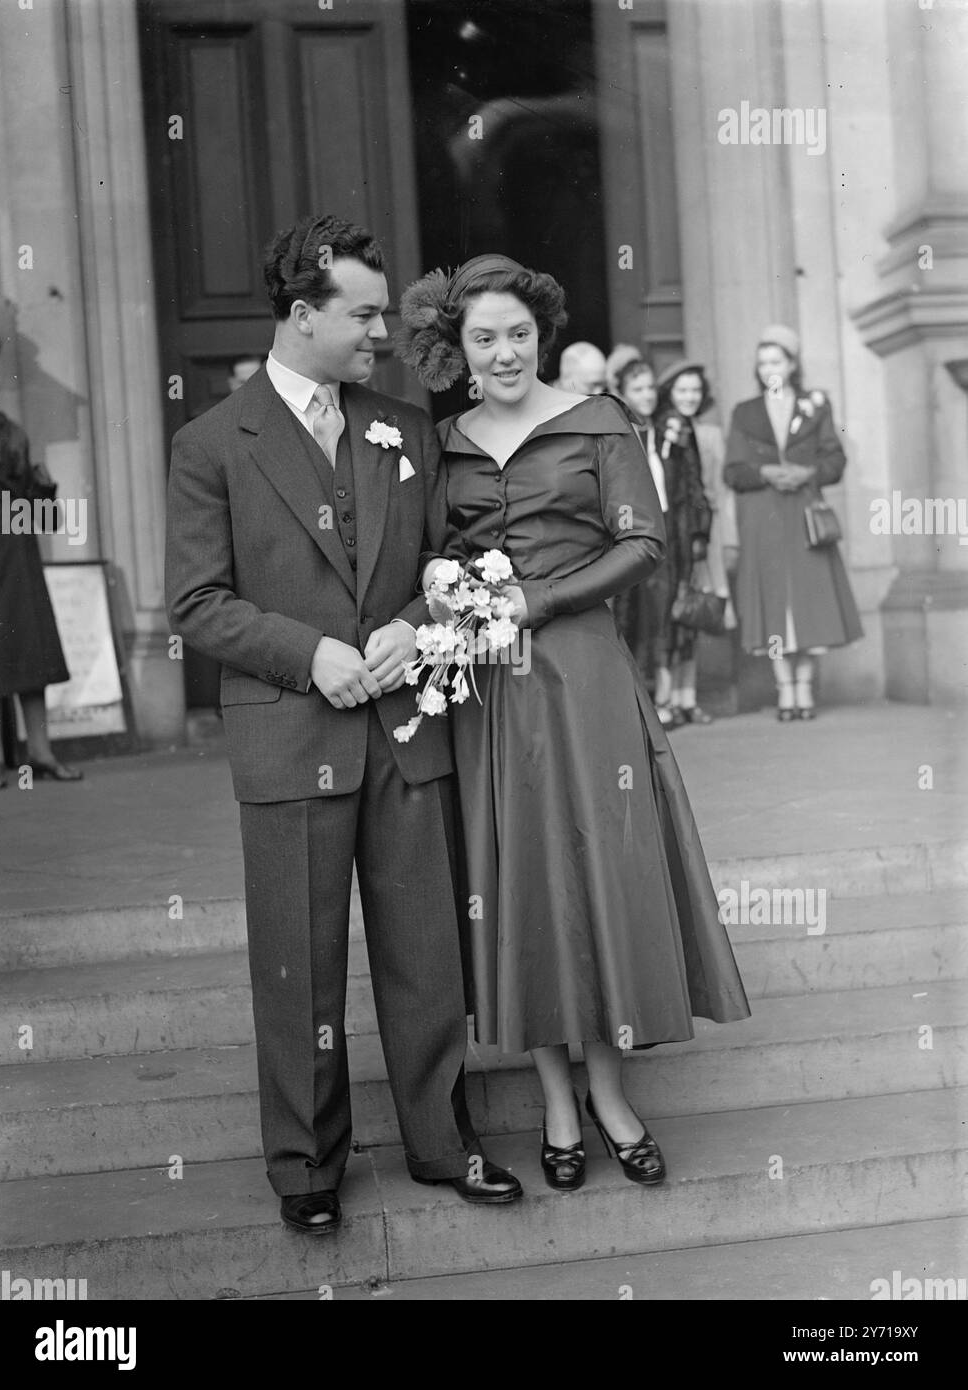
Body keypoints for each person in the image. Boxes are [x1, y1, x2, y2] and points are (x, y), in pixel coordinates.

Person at [165, 214, 522, 1237]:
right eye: (363, 313)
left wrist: (415, 628)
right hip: (289, 738)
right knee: (298, 963)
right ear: (301, 314)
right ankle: (306, 1166)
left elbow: (451, 565)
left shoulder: (403, 425)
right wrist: (308, 653)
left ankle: (441, 1142)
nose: (381, 331)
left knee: (426, 954)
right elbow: (196, 601)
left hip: (408, 734)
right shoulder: (210, 444)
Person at [396, 254, 750, 1193]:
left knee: (600, 869)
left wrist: (533, 601)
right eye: (484, 338)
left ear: (540, 335)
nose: (505, 351)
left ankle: (611, 1092)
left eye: (518, 333)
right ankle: (554, 1098)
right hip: (490, 694)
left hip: (584, 678)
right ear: (457, 348)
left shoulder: (600, 423)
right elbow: (433, 557)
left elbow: (644, 543)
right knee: (521, 882)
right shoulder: (444, 442)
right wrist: (453, 601)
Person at [723, 325, 862, 720]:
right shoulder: (745, 412)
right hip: (764, 517)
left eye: (777, 360)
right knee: (774, 604)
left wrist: (808, 473)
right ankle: (785, 690)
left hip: (803, 515)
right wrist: (766, 471)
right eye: (763, 361)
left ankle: (805, 690)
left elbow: (835, 460)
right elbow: (733, 471)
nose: (769, 368)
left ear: (792, 364)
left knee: (806, 603)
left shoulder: (815, 406)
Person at [0, 324, 81, 789]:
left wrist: (42, 494)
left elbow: (37, 512)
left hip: (15, 551)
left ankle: (40, 752)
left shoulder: (7, 429)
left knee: (29, 651)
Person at [607, 352, 675, 725]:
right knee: (629, 615)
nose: (647, 395)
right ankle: (636, 699)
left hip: (665, 528)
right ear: (622, 391)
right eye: (638, 388)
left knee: (660, 612)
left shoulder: (665, 430)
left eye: (651, 388)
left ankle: (665, 696)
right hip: (630, 531)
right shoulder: (616, 431)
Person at [653, 359, 718, 725]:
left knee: (684, 612)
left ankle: (684, 697)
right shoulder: (669, 428)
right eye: (683, 390)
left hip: (687, 530)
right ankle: (668, 699)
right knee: (670, 612)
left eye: (695, 390)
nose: (690, 397)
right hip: (673, 530)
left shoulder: (685, 426)